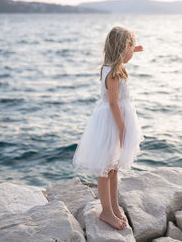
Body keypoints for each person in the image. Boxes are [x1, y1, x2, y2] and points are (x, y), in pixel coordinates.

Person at [73, 26, 145, 230]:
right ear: (123, 48)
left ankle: (113, 206)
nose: (133, 51)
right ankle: (106, 211)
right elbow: (113, 103)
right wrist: (122, 128)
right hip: (112, 123)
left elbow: (125, 55)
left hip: (113, 121)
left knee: (113, 168)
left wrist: (134, 49)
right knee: (106, 170)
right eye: (131, 47)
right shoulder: (113, 72)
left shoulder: (113, 65)